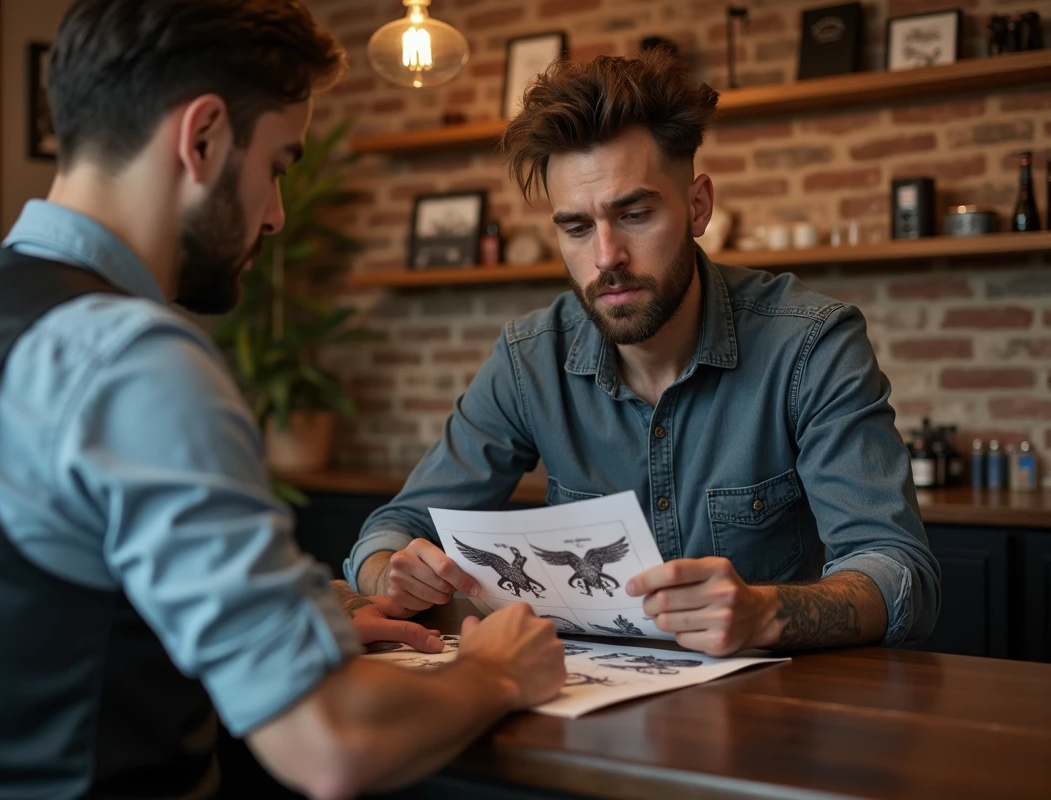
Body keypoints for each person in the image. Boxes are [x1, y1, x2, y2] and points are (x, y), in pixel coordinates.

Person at [0, 2, 566, 799]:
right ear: (203, 138)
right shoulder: (131, 359)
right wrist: (496, 672)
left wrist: (299, 632)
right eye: (278, 165)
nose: (276, 214)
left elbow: (6, 620)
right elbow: (332, 744)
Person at [347, 51, 940, 657]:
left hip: (772, 701)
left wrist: (767, 612)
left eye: (634, 214)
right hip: (583, 701)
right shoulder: (530, 361)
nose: (606, 257)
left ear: (698, 207)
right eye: (577, 227)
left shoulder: (811, 345)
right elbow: (394, 530)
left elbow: (900, 573)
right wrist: (389, 571)